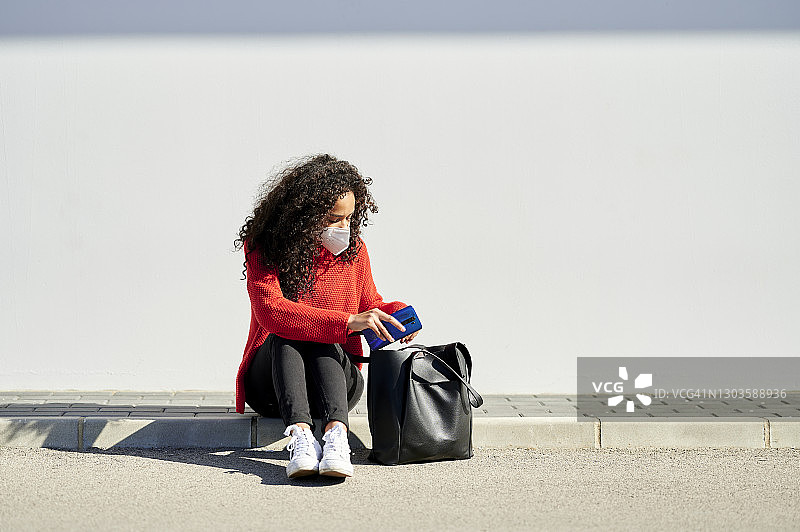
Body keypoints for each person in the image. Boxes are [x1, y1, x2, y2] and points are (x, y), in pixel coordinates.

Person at [233, 154, 419, 479]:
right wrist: (345, 322)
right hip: (272, 386)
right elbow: (271, 311)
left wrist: (394, 316)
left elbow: (370, 304)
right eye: (334, 218)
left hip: (334, 383)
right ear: (305, 213)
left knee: (323, 336)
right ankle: (301, 436)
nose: (344, 227)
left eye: (349, 218)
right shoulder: (266, 248)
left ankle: (336, 437)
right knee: (291, 332)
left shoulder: (355, 251)